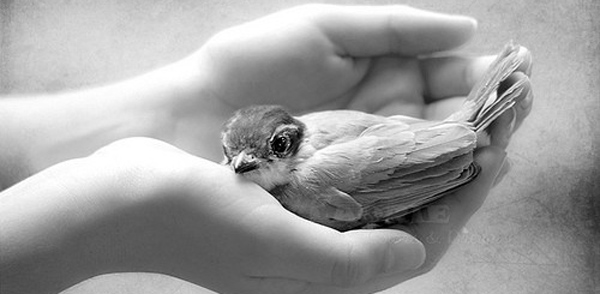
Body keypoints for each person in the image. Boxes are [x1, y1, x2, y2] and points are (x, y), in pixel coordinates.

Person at [0, 4, 533, 294]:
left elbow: (400, 181)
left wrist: (459, 152)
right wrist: (107, 216)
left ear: (297, 136)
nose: (245, 166)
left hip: (431, 145)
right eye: (235, 155)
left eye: (274, 148)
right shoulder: (301, 153)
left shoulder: (305, 189)